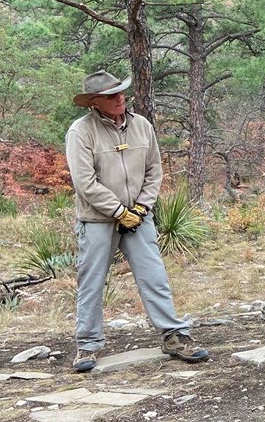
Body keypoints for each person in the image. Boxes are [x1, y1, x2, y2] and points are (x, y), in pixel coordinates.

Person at [66, 70, 210, 372]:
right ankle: (87, 346)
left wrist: (141, 209)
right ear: (94, 102)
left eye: (121, 92)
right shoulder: (81, 132)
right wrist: (119, 212)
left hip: (139, 218)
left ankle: (174, 336)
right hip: (98, 220)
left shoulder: (142, 126)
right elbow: (85, 182)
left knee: (154, 276)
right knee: (91, 282)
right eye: (111, 95)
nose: (120, 98)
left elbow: (154, 171)